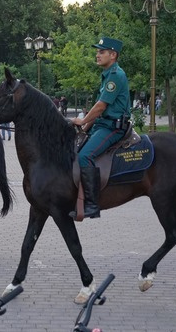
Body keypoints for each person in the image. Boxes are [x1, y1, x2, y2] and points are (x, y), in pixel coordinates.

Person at [70, 37, 130, 220]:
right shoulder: (106, 75)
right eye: (97, 51)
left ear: (113, 55)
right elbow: (98, 108)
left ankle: (92, 204)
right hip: (102, 124)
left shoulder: (116, 76)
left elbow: (101, 106)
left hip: (113, 127)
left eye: (101, 52)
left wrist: (82, 121)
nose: (97, 55)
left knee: (84, 156)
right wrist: (85, 128)